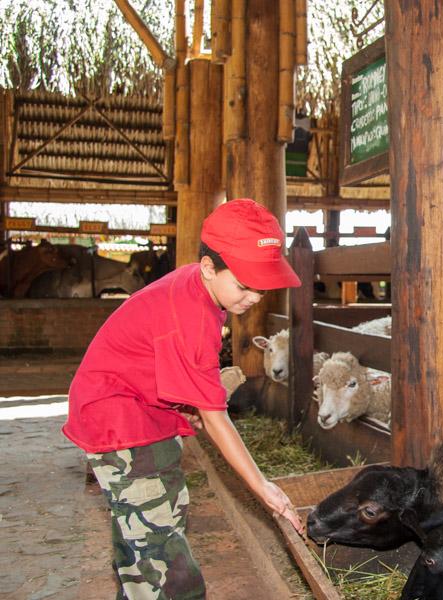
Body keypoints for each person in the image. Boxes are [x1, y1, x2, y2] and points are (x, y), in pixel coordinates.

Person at [63, 199, 304, 599]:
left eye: (262, 288)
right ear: (210, 268)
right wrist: (263, 487)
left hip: (144, 409)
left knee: (152, 520)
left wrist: (186, 402)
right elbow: (215, 419)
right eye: (244, 286)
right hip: (120, 421)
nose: (253, 298)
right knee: (168, 562)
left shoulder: (202, 287)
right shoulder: (188, 314)